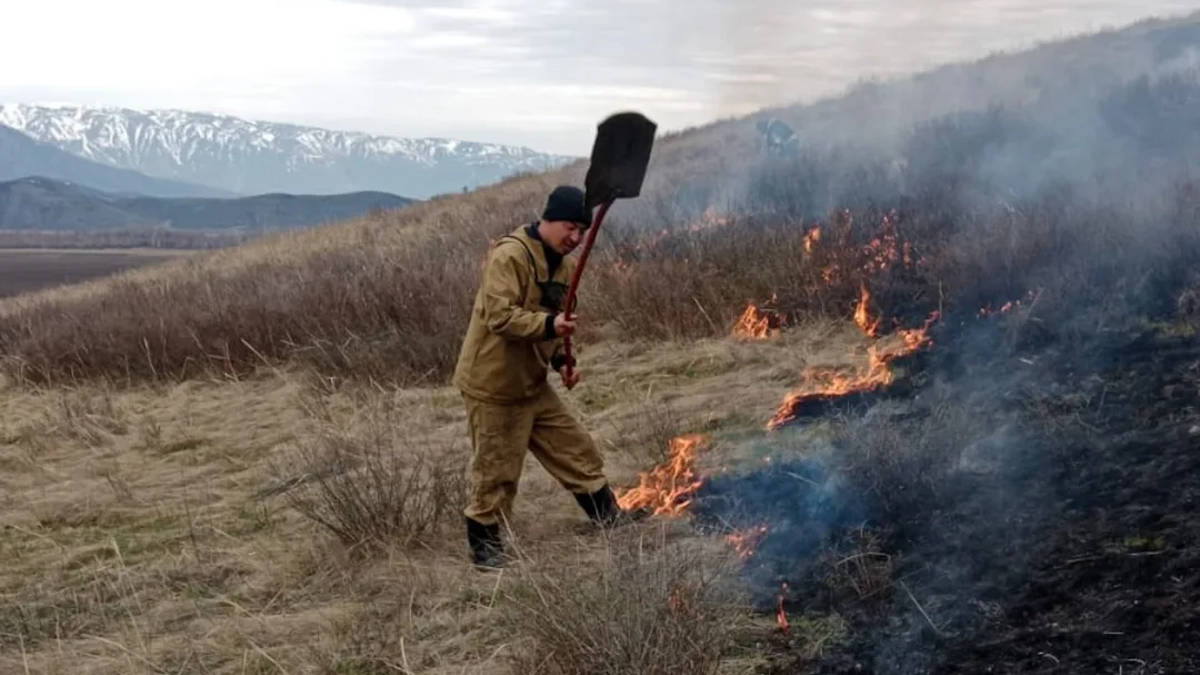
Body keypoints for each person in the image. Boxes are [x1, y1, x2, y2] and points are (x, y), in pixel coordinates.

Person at [452, 185, 642, 570]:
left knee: (576, 449)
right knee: (496, 469)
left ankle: (607, 518)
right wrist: (551, 326)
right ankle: (485, 548)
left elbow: (558, 323)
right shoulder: (510, 256)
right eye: (569, 228)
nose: (574, 238)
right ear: (548, 219)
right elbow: (500, 317)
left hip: (532, 383)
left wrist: (561, 362)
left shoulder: (565, 267)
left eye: (581, 232)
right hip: (495, 385)